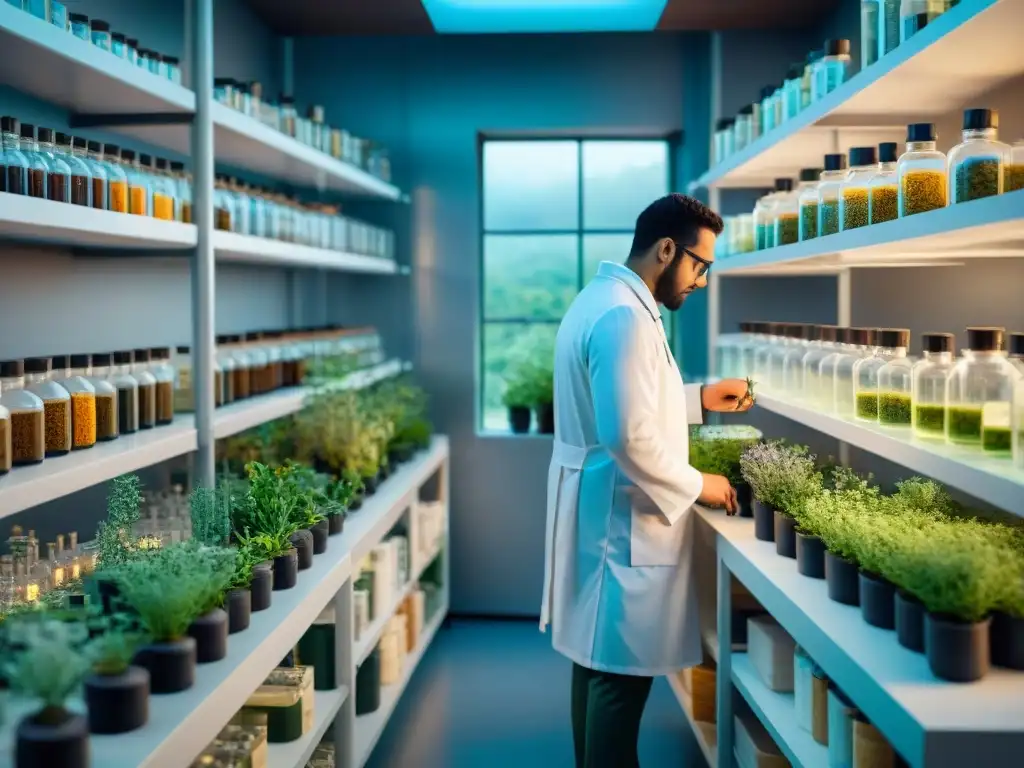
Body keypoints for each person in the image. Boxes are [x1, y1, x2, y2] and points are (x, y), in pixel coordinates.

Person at [539, 193, 754, 768]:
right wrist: (698, 483)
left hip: (599, 512)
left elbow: (629, 402)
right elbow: (628, 436)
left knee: (595, 666)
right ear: (666, 249)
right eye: (699, 265)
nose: (702, 280)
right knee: (617, 680)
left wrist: (700, 400)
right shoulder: (625, 317)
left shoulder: (605, 300)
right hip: (620, 523)